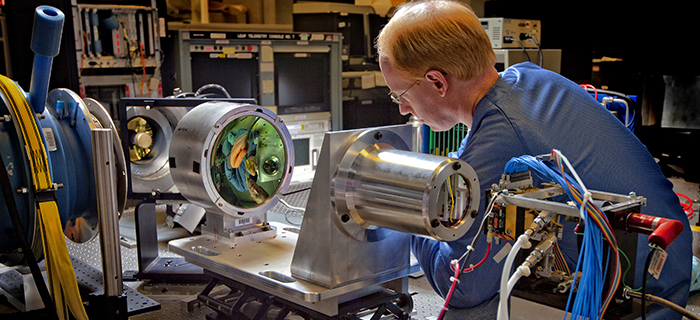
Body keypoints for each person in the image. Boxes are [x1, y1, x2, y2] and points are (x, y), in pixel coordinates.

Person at [375, 1, 692, 319]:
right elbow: (473, 150)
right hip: (671, 274)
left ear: (437, 82)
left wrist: (409, 217)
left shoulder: (500, 141)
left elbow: (460, 286)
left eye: (400, 95)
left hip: (634, 305)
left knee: (459, 312)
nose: (403, 108)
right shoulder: (530, 78)